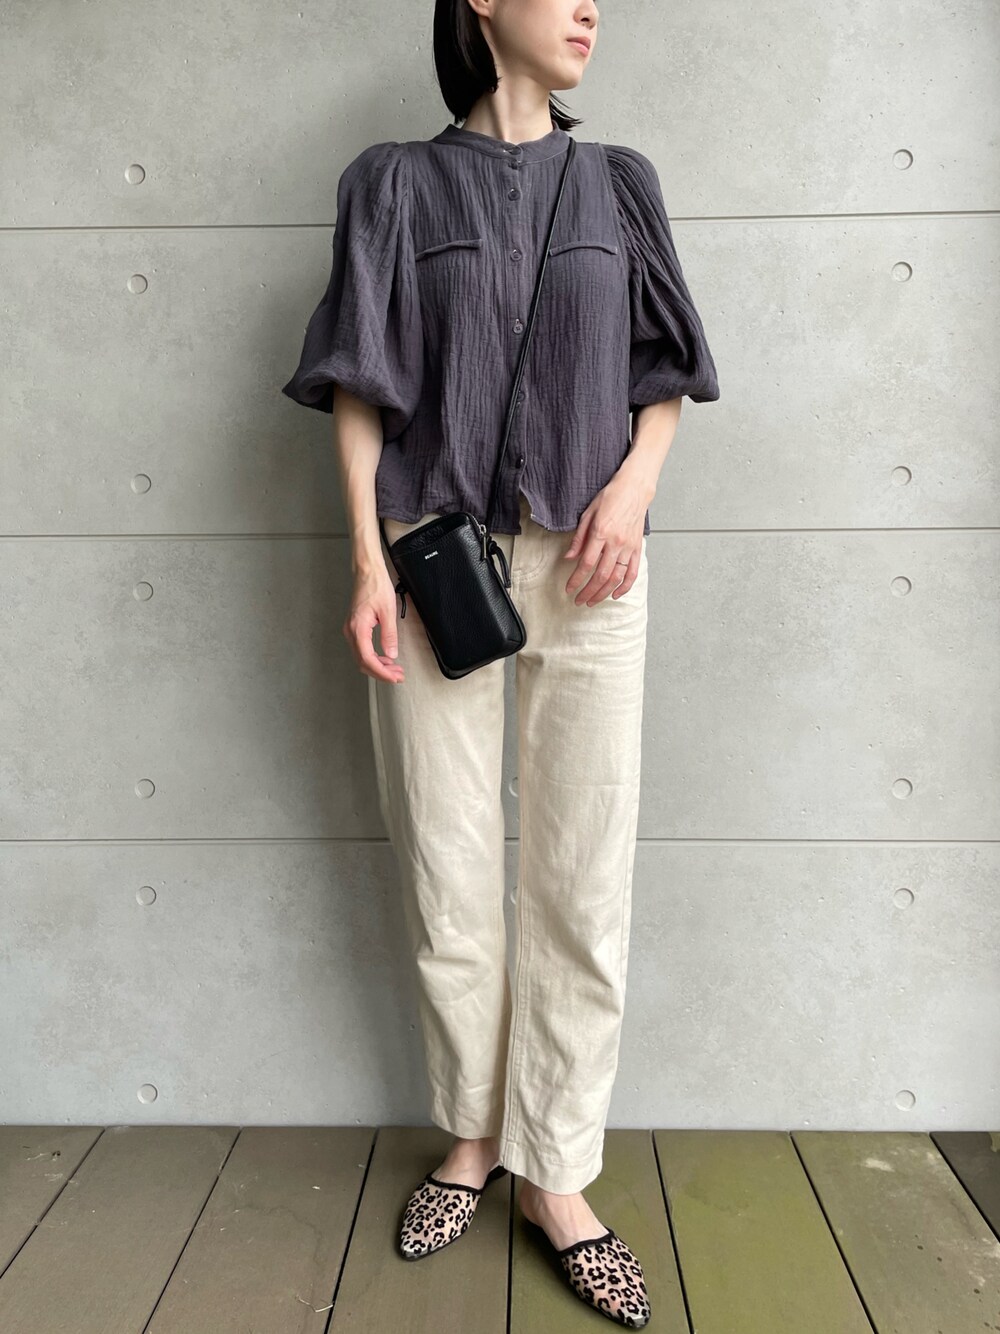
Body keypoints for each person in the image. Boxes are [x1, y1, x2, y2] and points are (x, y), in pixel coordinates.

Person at [281, 0, 719, 1325]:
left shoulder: (618, 182)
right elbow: (359, 384)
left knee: (582, 875)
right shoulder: (391, 184)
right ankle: (473, 1137)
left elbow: (664, 373)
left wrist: (633, 491)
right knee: (449, 869)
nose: (589, 7)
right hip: (436, 564)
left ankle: (558, 1172)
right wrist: (369, 562)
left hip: (594, 564)